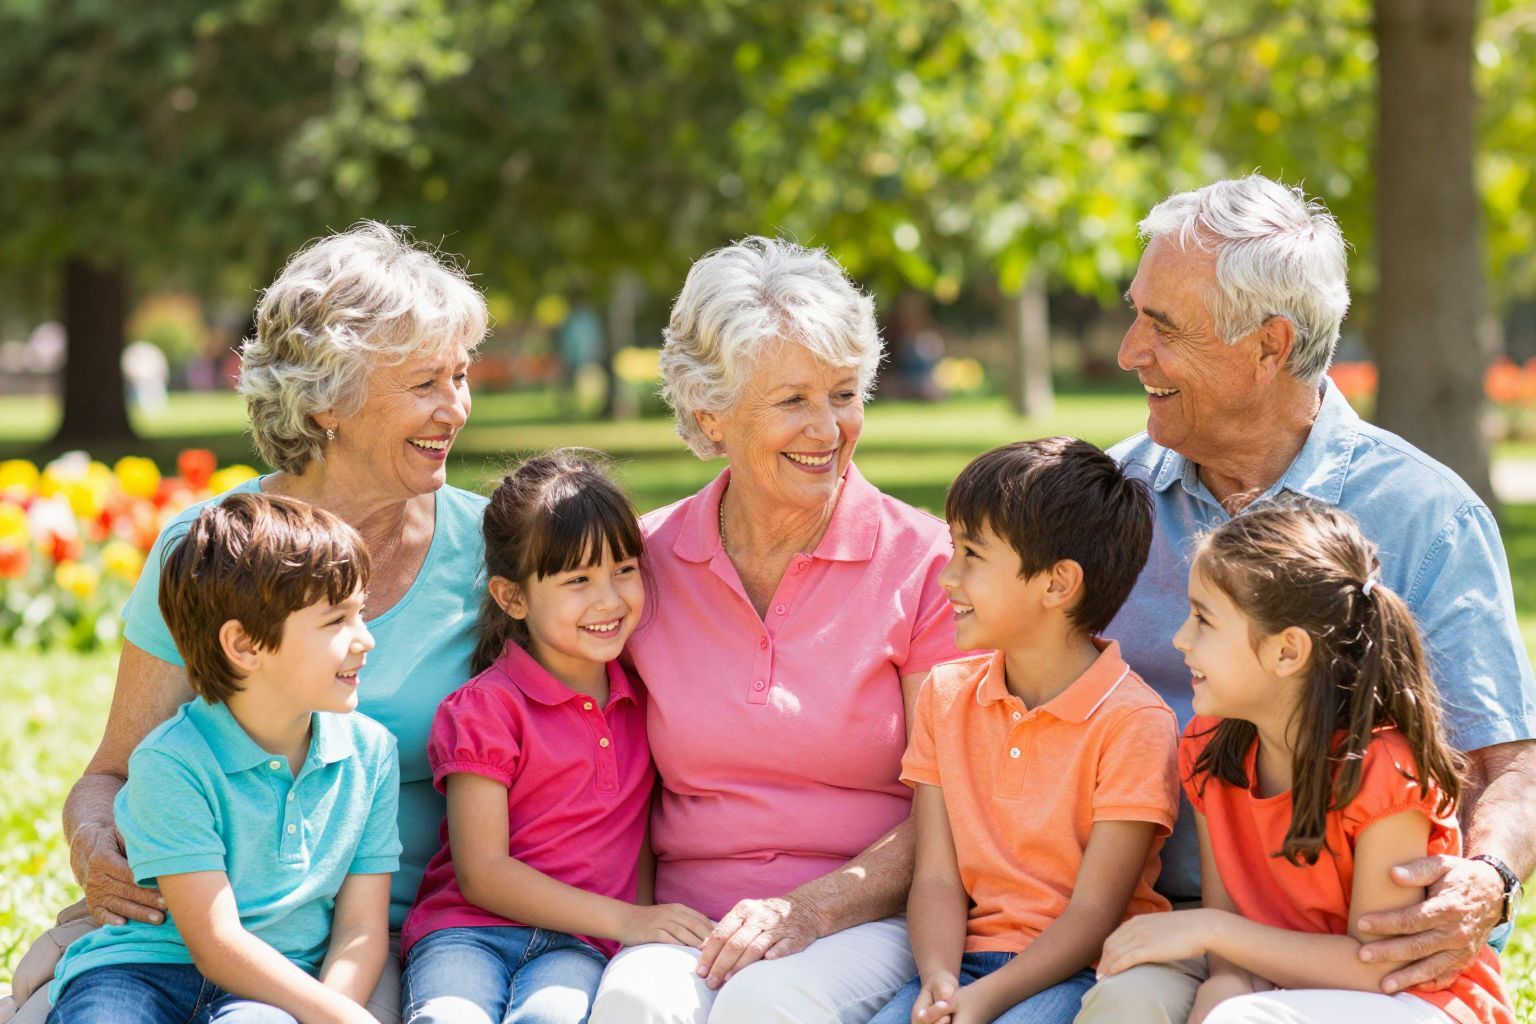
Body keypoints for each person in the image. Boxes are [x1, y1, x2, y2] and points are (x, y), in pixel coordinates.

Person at [2, 222, 488, 1024]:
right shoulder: (209, 552)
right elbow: (112, 773)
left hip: (379, 942)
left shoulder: (489, 551)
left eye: (462, 376)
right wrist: (97, 848)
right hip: (191, 928)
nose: (456, 408)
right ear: (328, 399)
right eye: (425, 383)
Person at [1076, 176, 1536, 1023]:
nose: (1129, 351)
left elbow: (1511, 761)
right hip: (1167, 931)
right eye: (1136, 313)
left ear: (1269, 345)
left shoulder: (1425, 517)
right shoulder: (1109, 501)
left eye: (1163, 326)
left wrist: (1488, 879)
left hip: (1369, 952)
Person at [588, 237, 960, 1024]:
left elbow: (954, 801)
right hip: (689, 921)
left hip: (864, 915)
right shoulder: (640, 565)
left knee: (767, 1005)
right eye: (792, 401)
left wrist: (810, 910)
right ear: (709, 413)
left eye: (844, 393)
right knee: (630, 1003)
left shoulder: (928, 563)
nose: (827, 428)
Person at [1099, 502, 1513, 1024]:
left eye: (1203, 619)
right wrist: (1223, 981)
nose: (1181, 638)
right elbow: (1227, 917)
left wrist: (1211, 935)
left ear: (1288, 652)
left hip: (1414, 1002)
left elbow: (1376, 968)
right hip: (1283, 989)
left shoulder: (1384, 771)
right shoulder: (1208, 750)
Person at [47, 494, 400, 1024]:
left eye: (361, 614)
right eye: (335, 622)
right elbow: (215, 941)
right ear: (244, 644)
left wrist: (333, 1012)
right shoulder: (172, 763)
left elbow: (361, 929)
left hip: (279, 985)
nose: (365, 640)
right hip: (143, 973)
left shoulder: (371, 755)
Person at [867, 438, 1178, 1024]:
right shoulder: (945, 694)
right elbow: (935, 874)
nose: (948, 577)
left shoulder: (1135, 723)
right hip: (961, 964)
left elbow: (1093, 913)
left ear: (1057, 584)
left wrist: (986, 999)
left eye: (972, 556)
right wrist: (938, 978)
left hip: (1080, 968)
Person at [400, 453, 712, 1024]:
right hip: (468, 933)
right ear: (512, 597)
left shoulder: (644, 701)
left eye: (623, 568)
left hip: (579, 945)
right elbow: (483, 872)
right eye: (577, 580)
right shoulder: (486, 709)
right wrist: (628, 920)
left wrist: (635, 929)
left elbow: (637, 834)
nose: (609, 599)